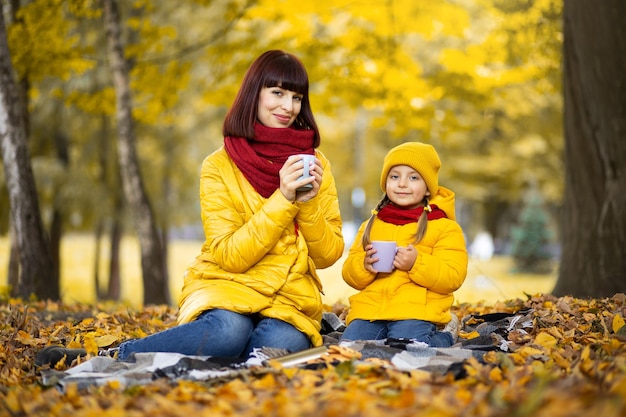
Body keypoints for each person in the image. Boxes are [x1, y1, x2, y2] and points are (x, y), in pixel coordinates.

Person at [36, 50, 344, 367]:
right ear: (255, 93)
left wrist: (306, 204)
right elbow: (230, 255)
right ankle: (117, 355)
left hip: (288, 297)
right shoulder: (218, 165)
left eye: (296, 97)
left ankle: (214, 357)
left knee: (275, 345)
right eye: (277, 93)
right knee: (228, 332)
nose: (288, 106)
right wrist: (283, 199)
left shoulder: (317, 165)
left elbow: (328, 254)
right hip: (228, 286)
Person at [339, 141, 467, 347]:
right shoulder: (371, 224)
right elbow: (349, 273)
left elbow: (453, 276)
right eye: (394, 176)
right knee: (350, 347)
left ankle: (445, 334)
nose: (402, 184)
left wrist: (417, 264)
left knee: (409, 347)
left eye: (414, 177)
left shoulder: (444, 227)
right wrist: (364, 265)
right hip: (371, 310)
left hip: (417, 310)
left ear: (428, 188)